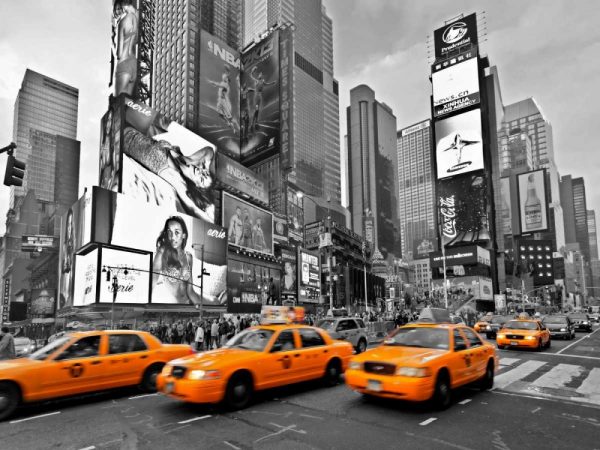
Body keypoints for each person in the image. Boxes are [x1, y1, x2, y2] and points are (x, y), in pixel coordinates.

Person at [122, 127, 215, 222]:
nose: (202, 174)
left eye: (202, 179)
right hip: (132, 131)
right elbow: (209, 151)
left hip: (122, 140)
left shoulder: (180, 183)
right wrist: (204, 169)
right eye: (205, 173)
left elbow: (193, 209)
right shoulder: (184, 158)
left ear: (197, 186)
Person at [153, 217, 204, 305]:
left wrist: (202, 308)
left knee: (215, 301)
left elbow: (190, 291)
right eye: (169, 232)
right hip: (173, 307)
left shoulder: (188, 257)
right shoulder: (162, 253)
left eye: (177, 232)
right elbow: (152, 282)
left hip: (188, 304)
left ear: (184, 235)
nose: (172, 237)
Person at [114, 1, 139, 97]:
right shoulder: (135, 18)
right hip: (133, 64)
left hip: (123, 63)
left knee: (119, 105)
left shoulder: (122, 22)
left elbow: (118, 53)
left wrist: (113, 44)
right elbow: (136, 40)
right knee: (129, 106)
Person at [207, 67, 238, 133]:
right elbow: (218, 85)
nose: (223, 76)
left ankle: (233, 127)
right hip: (219, 101)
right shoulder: (222, 82)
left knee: (229, 117)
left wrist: (213, 82)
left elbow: (218, 85)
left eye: (225, 77)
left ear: (227, 79)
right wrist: (214, 84)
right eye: (223, 76)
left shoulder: (226, 85)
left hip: (223, 101)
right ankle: (228, 122)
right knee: (220, 114)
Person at [249, 67, 276, 131]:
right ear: (258, 76)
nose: (260, 75)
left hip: (259, 96)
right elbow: (251, 75)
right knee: (256, 110)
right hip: (256, 96)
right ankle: (252, 124)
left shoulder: (262, 82)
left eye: (261, 74)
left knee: (257, 110)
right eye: (259, 74)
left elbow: (267, 84)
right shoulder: (256, 81)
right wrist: (253, 70)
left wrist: (272, 83)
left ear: (262, 76)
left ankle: (255, 123)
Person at [59, 208, 75, 309]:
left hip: (72, 276)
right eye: (68, 224)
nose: (69, 227)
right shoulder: (65, 245)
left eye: (71, 224)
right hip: (66, 277)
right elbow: (63, 268)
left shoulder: (73, 243)